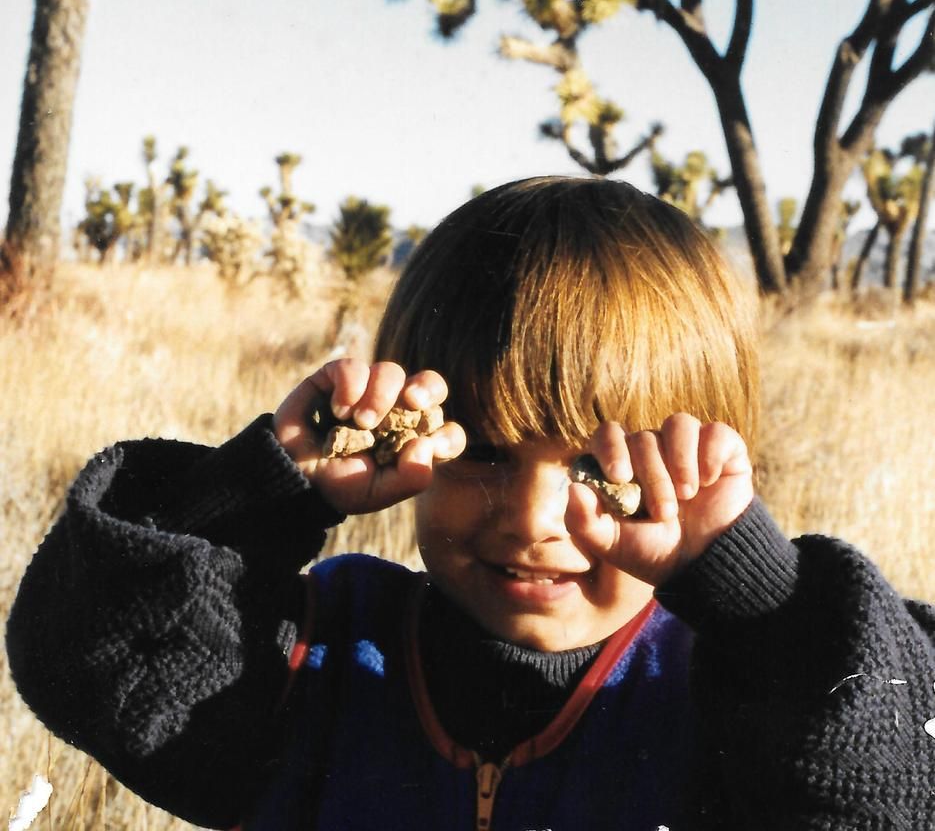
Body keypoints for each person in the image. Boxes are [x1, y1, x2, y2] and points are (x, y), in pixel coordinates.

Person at [7, 176, 935, 831]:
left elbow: (890, 787)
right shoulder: (315, 667)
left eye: (599, 465)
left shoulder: (738, 700)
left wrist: (760, 602)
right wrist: (259, 498)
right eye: (482, 450)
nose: (531, 520)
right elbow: (84, 661)